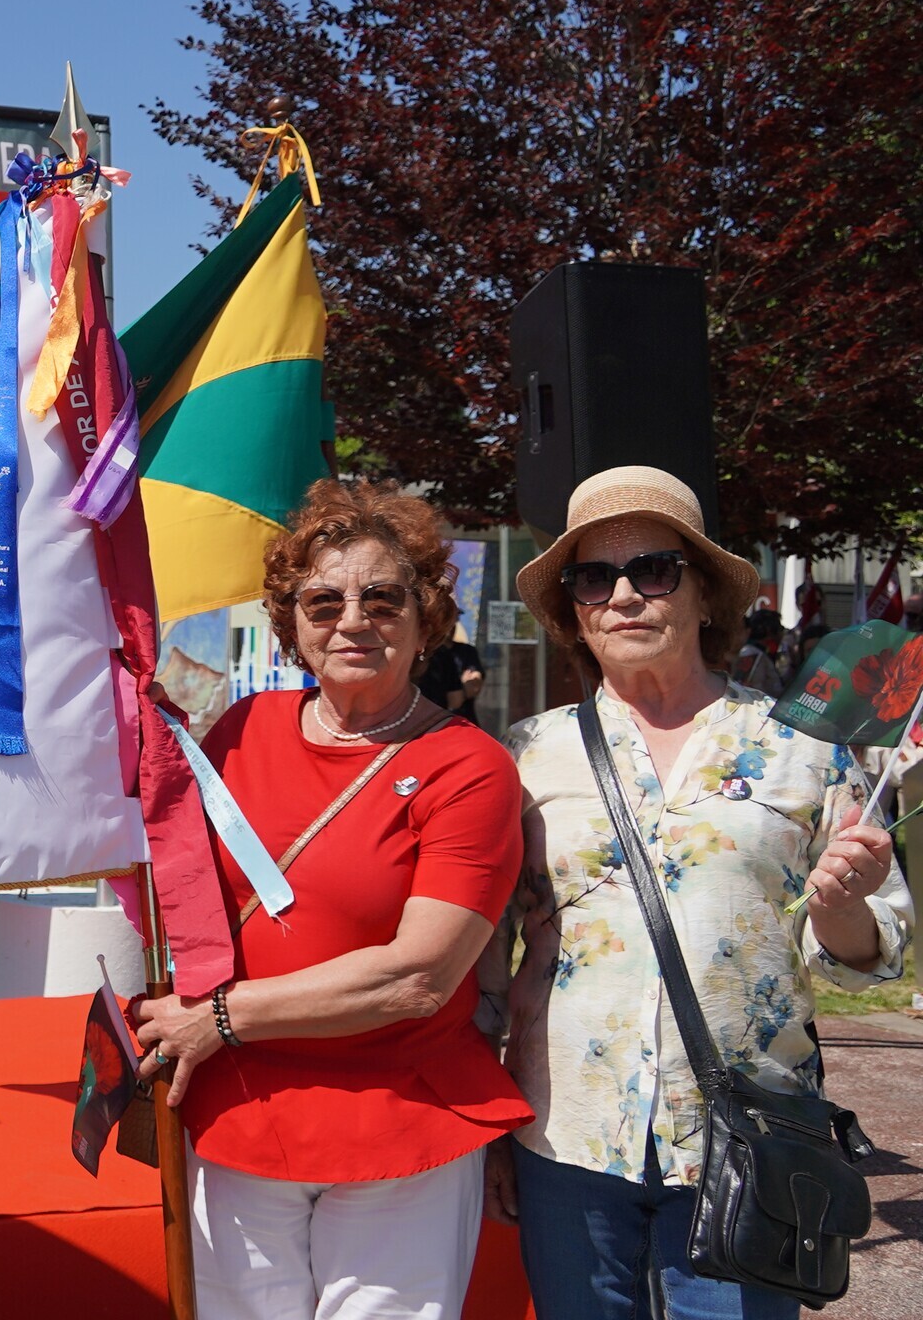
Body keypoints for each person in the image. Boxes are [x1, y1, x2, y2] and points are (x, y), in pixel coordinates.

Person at [493, 467, 912, 1320]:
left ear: (704, 595)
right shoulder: (524, 755)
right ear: (574, 609)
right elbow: (485, 958)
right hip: (566, 1132)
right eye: (593, 577)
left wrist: (840, 907)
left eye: (653, 570)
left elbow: (870, 959)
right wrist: (489, 1128)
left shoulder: (803, 750)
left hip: (747, 1140)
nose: (623, 596)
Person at [130, 478, 530, 1320]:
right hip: (238, 1113)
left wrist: (221, 1017)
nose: (353, 620)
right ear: (293, 624)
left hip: (402, 1119)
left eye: (383, 599)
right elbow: (178, 887)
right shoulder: (241, 729)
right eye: (323, 602)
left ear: (424, 619)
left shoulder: (469, 767)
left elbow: (417, 977)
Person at [422, 631, 486, 721]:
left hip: (463, 718)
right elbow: (455, 699)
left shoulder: (466, 651)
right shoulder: (429, 654)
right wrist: (462, 687)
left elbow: (473, 687)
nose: (451, 628)